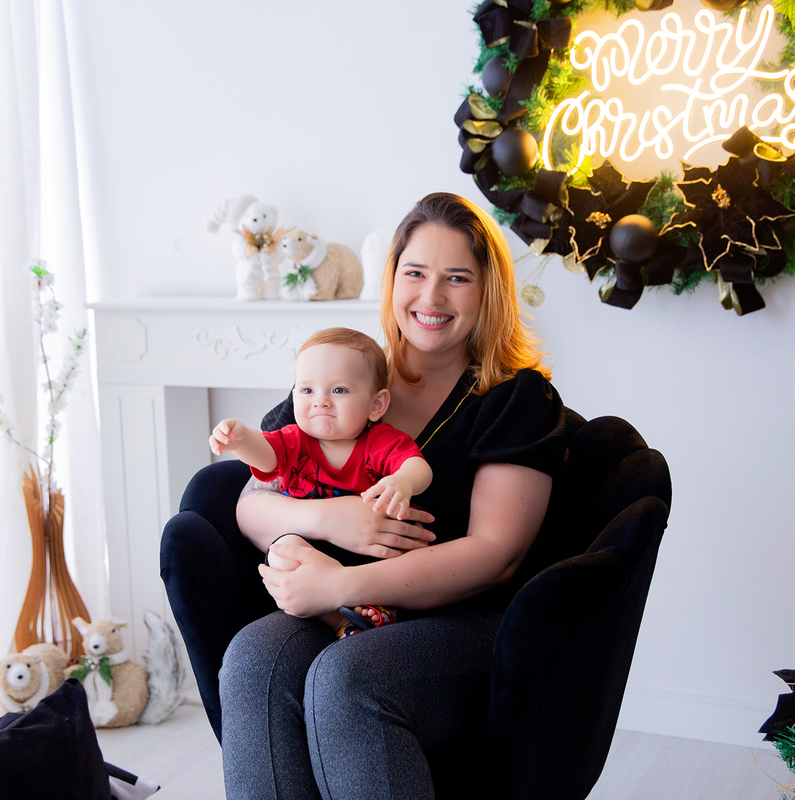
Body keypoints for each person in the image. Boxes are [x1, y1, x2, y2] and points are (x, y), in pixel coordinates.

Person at [161, 192, 567, 800]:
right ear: (393, 279)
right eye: (416, 273)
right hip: (339, 615)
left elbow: (495, 554)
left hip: (462, 623)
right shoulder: (347, 375)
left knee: (348, 679)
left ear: (488, 292)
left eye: (457, 278)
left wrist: (343, 585)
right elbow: (249, 503)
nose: (431, 298)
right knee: (253, 661)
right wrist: (336, 521)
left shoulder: (515, 400)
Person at [208, 326, 432, 635]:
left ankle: (382, 608)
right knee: (281, 551)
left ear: (376, 404)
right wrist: (240, 439)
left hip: (373, 552)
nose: (321, 401)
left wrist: (404, 481)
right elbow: (264, 454)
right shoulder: (294, 440)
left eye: (339, 390)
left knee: (408, 550)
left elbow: (417, 466)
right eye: (307, 390)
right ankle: (343, 621)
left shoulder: (378, 441)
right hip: (315, 553)